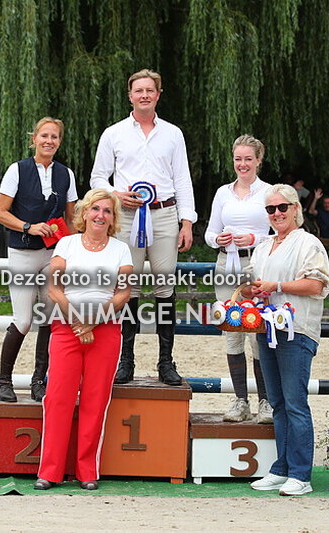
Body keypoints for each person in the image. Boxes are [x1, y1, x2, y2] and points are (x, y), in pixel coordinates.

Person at [90, 68, 197, 386]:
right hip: (126, 216)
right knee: (128, 288)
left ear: (158, 94)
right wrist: (113, 193)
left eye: (150, 90)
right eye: (139, 91)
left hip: (164, 214)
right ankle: (126, 361)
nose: (144, 95)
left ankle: (166, 361)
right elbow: (98, 177)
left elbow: (182, 179)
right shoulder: (114, 133)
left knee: (165, 288)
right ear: (130, 95)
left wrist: (187, 220)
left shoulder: (173, 134)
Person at [34, 189, 133, 491]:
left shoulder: (121, 250)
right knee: (58, 399)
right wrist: (78, 319)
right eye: (95, 209)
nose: (100, 215)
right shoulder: (67, 243)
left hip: (105, 330)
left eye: (107, 211)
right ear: (85, 213)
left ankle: (87, 470)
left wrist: (93, 320)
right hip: (66, 329)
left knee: (95, 400)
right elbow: (54, 288)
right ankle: (49, 471)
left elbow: (123, 293)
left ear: (113, 218)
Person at [241, 183, 329, 496]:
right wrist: (250, 289)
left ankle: (301, 474)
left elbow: (317, 285)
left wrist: (277, 285)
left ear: (296, 209)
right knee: (277, 403)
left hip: (297, 331)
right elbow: (250, 282)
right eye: (271, 209)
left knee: (294, 403)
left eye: (282, 207)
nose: (276, 213)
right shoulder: (264, 246)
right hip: (266, 331)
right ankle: (282, 468)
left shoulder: (309, 244)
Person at [0, 117, 78, 403]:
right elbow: (0, 213)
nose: (49, 141)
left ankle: (39, 380)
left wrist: (77, 250)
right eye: (44, 136)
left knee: (50, 317)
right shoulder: (17, 170)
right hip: (23, 252)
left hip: (53, 253)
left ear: (59, 142)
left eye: (54, 137)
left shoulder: (66, 174)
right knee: (24, 319)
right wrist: (28, 226)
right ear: (34, 139)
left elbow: (72, 218)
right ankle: (4, 381)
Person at [204, 134, 273, 424]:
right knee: (232, 333)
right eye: (238, 159)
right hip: (227, 265)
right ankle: (240, 400)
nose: (242, 164)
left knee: (258, 333)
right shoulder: (222, 193)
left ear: (258, 160)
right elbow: (208, 233)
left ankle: (266, 402)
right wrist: (217, 239)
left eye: (248, 159)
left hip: (259, 264)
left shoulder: (270, 192)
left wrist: (254, 237)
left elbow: (281, 232)